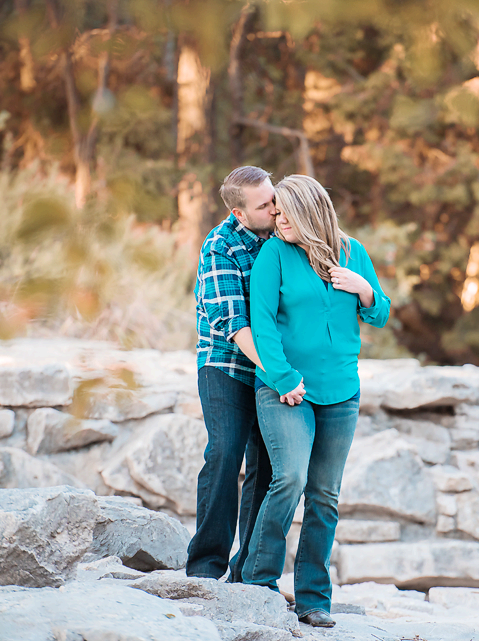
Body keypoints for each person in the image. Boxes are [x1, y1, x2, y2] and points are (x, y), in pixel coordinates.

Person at [242, 175, 390, 627]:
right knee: (290, 478)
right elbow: (261, 322)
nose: (277, 219)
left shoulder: (353, 252)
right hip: (285, 388)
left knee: (325, 495)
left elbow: (380, 312)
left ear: (308, 211)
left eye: (285, 211)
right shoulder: (274, 254)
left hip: (341, 391)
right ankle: (258, 583)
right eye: (275, 210)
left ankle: (313, 600)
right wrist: (283, 376)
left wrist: (362, 288)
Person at [188, 166, 294, 581]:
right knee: (224, 452)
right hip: (227, 363)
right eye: (264, 205)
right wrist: (279, 372)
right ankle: (205, 568)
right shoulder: (220, 245)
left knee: (268, 466)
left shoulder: (283, 234)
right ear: (239, 212)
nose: (274, 207)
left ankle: (247, 571)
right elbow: (235, 325)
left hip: (272, 367)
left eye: (274, 197)